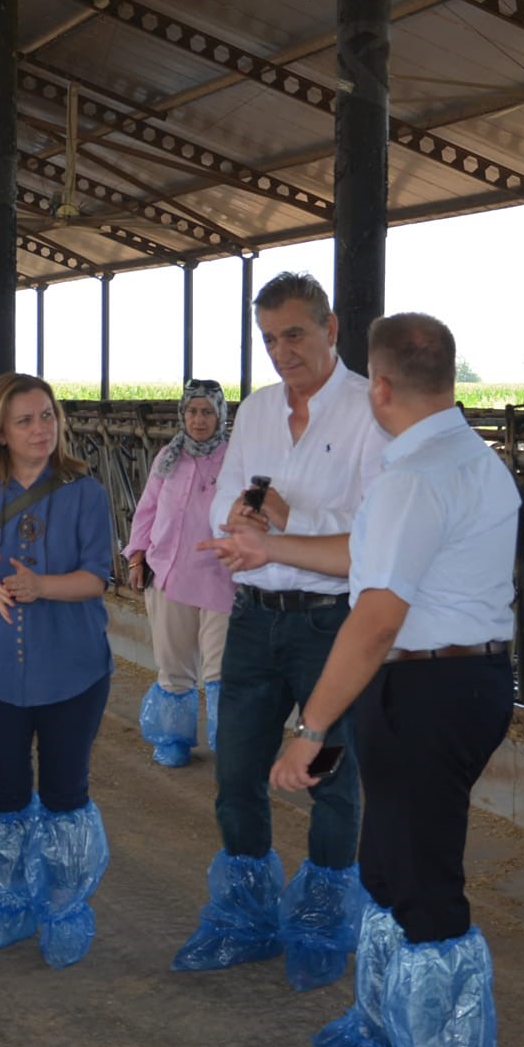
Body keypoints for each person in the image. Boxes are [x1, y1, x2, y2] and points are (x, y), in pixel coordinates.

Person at [218, 313, 519, 1047]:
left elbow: (376, 614)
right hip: (451, 680)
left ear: (380, 386)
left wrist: (311, 728)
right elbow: (367, 553)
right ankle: (391, 1024)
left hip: (428, 685)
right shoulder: (463, 459)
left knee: (422, 876)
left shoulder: (415, 474)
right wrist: (274, 548)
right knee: (387, 860)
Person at [171, 271, 385, 993]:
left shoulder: (368, 411)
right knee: (236, 773)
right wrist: (234, 519)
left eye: (293, 333)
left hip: (330, 623)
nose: (280, 352)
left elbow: (379, 532)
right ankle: (248, 918)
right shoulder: (259, 409)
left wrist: (289, 519)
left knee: (331, 779)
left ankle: (325, 919)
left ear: (330, 329)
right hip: (254, 617)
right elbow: (226, 498)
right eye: (268, 338)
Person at [0, 373, 115, 969]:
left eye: (47, 416)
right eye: (26, 421)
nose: (41, 429)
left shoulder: (85, 491)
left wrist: (42, 586)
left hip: (73, 669)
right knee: (6, 790)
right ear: (1, 432)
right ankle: (10, 906)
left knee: (66, 792)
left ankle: (65, 911)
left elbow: (98, 576)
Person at [125, 379, 233, 766]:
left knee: (222, 668)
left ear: (221, 415)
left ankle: (229, 742)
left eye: (207, 411)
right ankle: (172, 739)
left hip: (223, 577)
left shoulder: (237, 458)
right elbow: (147, 510)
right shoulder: (168, 458)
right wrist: (137, 557)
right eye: (192, 411)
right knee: (173, 664)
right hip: (170, 573)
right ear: (182, 414)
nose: (199, 419)